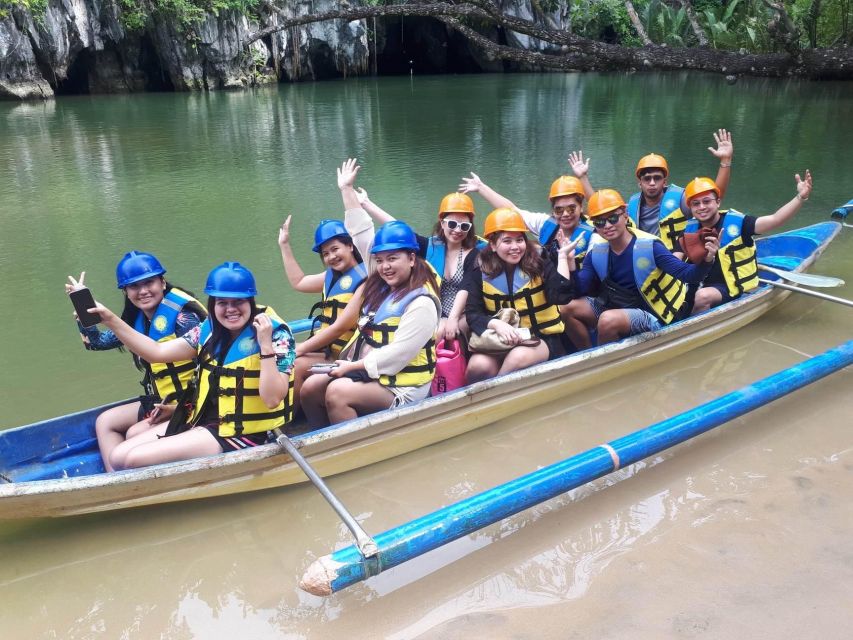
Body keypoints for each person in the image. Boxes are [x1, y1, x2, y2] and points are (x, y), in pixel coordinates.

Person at [87, 262, 295, 470]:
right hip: (202, 419)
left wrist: (265, 345)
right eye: (222, 302)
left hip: (242, 433)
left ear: (250, 302)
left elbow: (272, 399)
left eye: (238, 301)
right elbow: (157, 352)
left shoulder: (277, 336)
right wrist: (109, 319)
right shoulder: (207, 329)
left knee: (133, 459)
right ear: (213, 304)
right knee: (117, 456)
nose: (230, 309)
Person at [298, 159, 441, 427]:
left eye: (393, 259)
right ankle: (320, 442)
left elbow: (398, 354)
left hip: (404, 383)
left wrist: (351, 368)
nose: (385, 266)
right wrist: (346, 190)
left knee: (337, 392)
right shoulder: (381, 282)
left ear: (412, 258)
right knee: (310, 387)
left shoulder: (422, 301)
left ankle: (352, 449)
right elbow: (362, 233)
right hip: (370, 371)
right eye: (381, 259)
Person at [65, 251, 206, 472]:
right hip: (162, 399)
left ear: (162, 281)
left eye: (149, 282)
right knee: (105, 422)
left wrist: (177, 407)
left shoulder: (184, 318)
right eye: (134, 286)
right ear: (126, 292)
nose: (143, 291)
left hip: (194, 400)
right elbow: (97, 342)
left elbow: (212, 367)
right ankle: (115, 481)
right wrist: (85, 315)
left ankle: (132, 477)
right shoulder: (136, 319)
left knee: (134, 433)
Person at [561, 189, 720, 348]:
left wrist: (707, 259)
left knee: (607, 319)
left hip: (653, 316)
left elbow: (687, 274)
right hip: (616, 308)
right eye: (600, 222)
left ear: (625, 214)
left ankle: (602, 363)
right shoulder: (596, 252)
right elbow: (580, 289)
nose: (607, 226)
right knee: (566, 308)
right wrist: (569, 262)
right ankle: (587, 355)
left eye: (613, 218)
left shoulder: (650, 246)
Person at [355, 185, 483, 343]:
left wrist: (453, 318)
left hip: (463, 312)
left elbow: (466, 287)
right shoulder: (431, 247)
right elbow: (400, 229)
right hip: (432, 308)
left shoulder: (475, 253)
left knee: (438, 330)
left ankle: (425, 364)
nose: (457, 230)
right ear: (442, 224)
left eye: (464, 226)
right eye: (452, 224)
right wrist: (366, 204)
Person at [463, 207, 575, 383]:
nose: (515, 247)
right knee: (478, 365)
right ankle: (468, 402)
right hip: (501, 339)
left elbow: (561, 297)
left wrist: (562, 259)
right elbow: (472, 314)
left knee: (517, 358)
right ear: (492, 244)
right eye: (507, 241)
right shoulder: (480, 268)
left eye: (519, 240)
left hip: (541, 338)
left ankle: (495, 397)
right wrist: (498, 325)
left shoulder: (540, 260)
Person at [574, 131, 734, 250]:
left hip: (678, 258)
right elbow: (601, 206)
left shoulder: (681, 199)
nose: (652, 183)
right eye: (647, 178)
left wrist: (725, 161)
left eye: (657, 178)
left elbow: (712, 197)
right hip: (644, 258)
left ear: (665, 181)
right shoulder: (632, 205)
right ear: (640, 183)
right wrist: (583, 177)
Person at [682, 171, 813, 314]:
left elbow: (775, 219)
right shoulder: (689, 229)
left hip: (731, 286)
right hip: (698, 282)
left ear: (718, 202)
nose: (701, 207)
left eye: (706, 201)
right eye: (696, 204)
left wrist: (800, 197)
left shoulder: (741, 223)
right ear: (691, 208)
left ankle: (693, 326)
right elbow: (674, 257)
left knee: (702, 297)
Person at [278, 216, 367, 411]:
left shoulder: (365, 279)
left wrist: (299, 348)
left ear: (350, 246)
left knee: (297, 364)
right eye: (325, 254)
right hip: (328, 351)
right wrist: (284, 245)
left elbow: (340, 327)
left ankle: (287, 422)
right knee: (284, 360)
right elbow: (298, 282)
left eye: (335, 249)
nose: (331, 257)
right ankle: (283, 416)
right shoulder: (330, 277)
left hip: (348, 356)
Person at [459, 158, 595, 268]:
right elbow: (513, 211)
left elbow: (600, 211)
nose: (565, 214)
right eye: (559, 210)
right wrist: (481, 188)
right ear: (553, 211)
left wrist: (583, 178)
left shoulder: (595, 231)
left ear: (581, 207)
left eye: (571, 208)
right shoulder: (546, 224)